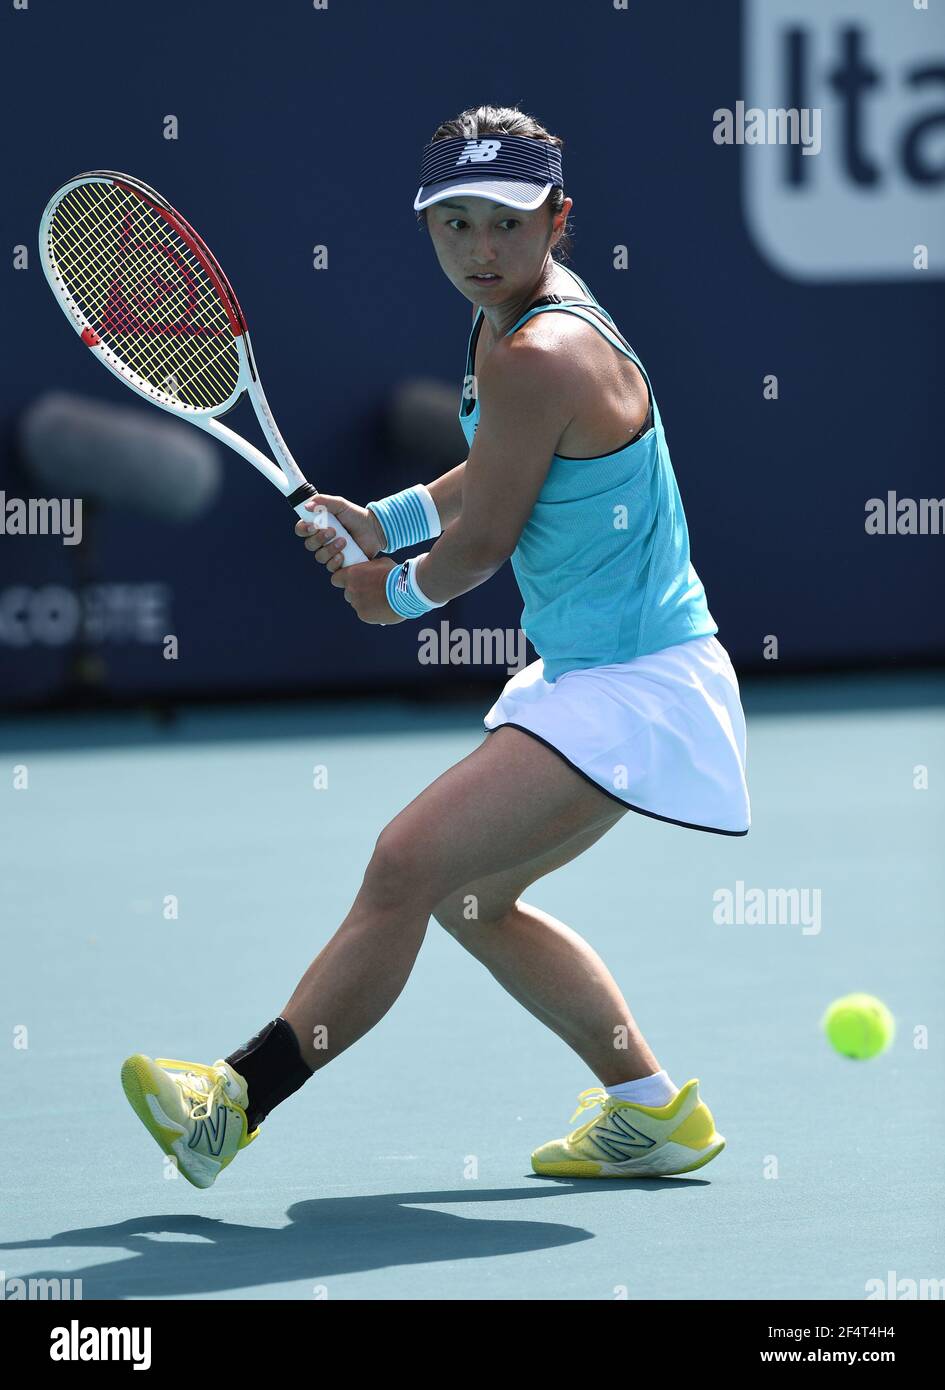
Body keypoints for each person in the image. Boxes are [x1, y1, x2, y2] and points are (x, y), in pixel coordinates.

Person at [121, 105, 750, 1189]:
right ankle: (654, 1111)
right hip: (608, 673)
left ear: (558, 218)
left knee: (406, 861)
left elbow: (486, 545)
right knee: (467, 898)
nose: (480, 250)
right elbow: (501, 467)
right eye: (453, 224)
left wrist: (389, 595)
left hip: (636, 687)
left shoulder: (539, 350)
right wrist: (383, 518)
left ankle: (230, 1101)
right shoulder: (518, 319)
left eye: (505, 223)